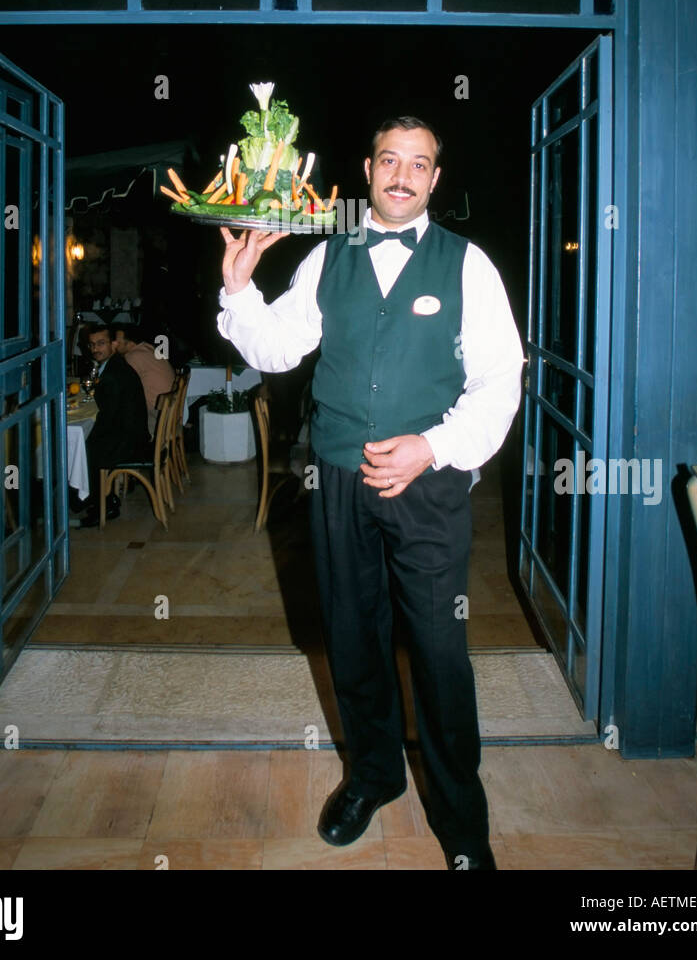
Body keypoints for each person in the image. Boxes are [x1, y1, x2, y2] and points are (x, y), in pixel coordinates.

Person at [217, 116, 524, 871]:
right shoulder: (330, 257)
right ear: (367, 167)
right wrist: (238, 288)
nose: (401, 174)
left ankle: (460, 819)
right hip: (338, 481)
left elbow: (499, 382)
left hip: (429, 489)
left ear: (433, 180)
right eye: (389, 159)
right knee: (352, 639)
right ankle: (375, 775)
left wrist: (432, 446)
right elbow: (275, 347)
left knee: (438, 652)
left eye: (418, 164)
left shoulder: (468, 265)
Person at [81, 324, 152, 526]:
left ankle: (103, 505)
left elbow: (107, 421)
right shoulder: (114, 366)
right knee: (86, 442)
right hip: (131, 433)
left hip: (130, 443)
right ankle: (102, 498)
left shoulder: (114, 374)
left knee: (84, 448)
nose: (96, 349)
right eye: (92, 344)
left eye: (101, 343)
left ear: (113, 344)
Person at [113, 323, 176, 436]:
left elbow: (120, 387)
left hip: (157, 417)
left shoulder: (133, 356)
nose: (114, 344)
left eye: (117, 341)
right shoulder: (147, 347)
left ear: (129, 343)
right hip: (170, 411)